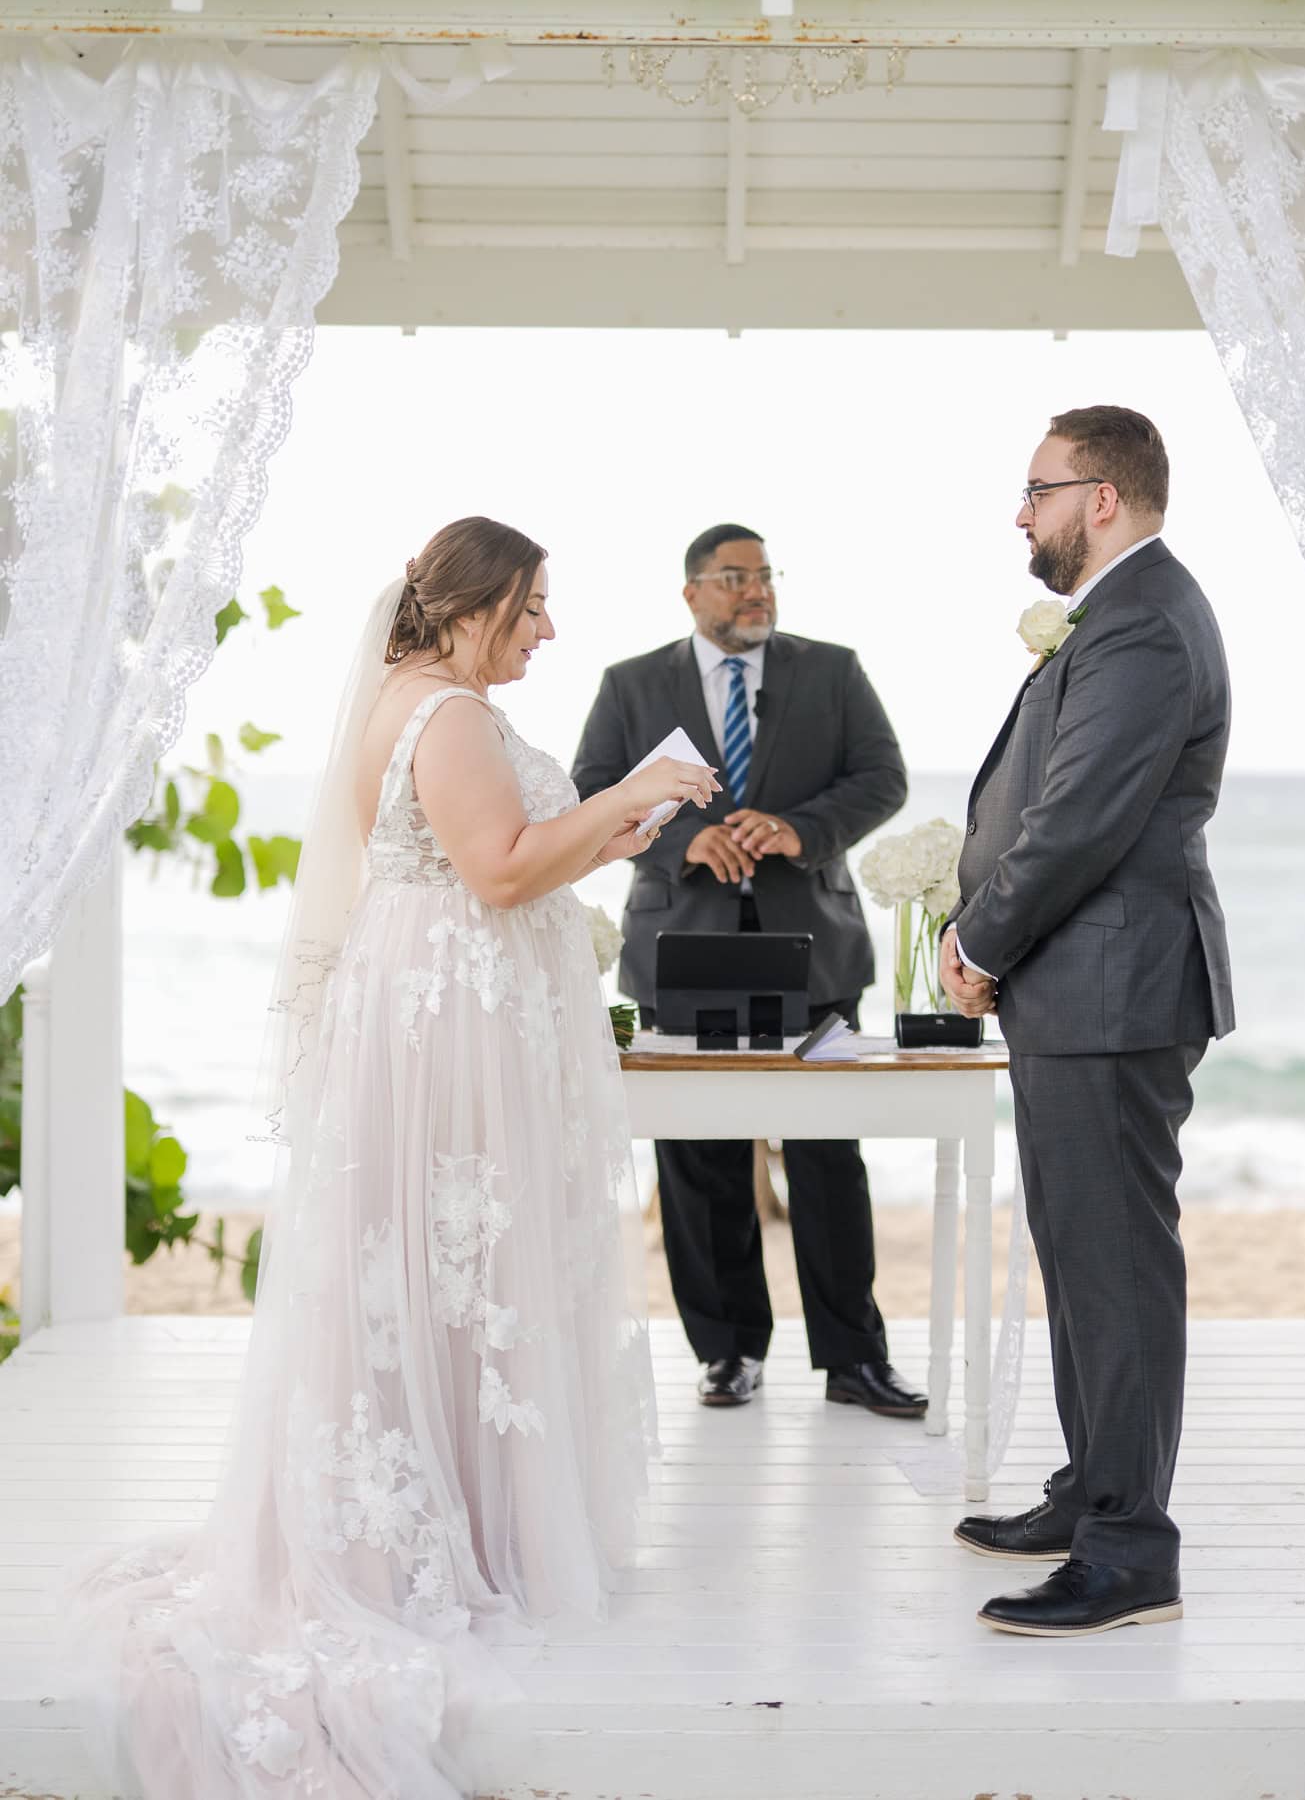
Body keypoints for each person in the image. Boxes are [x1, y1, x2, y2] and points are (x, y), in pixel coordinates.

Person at [77, 517, 718, 1800]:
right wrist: (632, 794)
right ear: (478, 604)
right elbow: (492, 872)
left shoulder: (420, 701)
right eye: (535, 606)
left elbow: (502, 863)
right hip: (451, 1023)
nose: (549, 629)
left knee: (436, 1269)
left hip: (439, 1008)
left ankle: (457, 1511)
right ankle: (449, 1534)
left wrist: (604, 836)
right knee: (456, 1262)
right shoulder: (452, 717)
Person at [941, 409, 1234, 1639]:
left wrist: (976, 942)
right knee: (1080, 1262)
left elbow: (1077, 823)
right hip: (1081, 993)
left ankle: (1129, 1552)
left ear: (1100, 497)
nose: (1021, 512)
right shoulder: (1119, 615)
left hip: (1111, 992)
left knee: (1113, 1271)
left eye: (1036, 489)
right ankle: (1091, 1488)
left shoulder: (1145, 627)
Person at [572, 523, 923, 1419]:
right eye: (734, 577)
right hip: (680, 946)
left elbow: (883, 778)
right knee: (699, 1159)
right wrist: (691, 840)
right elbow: (592, 791)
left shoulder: (834, 671)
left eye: (764, 575)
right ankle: (727, 1351)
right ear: (691, 592)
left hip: (817, 950)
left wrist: (801, 830)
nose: (754, 591)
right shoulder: (630, 684)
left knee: (827, 1157)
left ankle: (854, 1359)